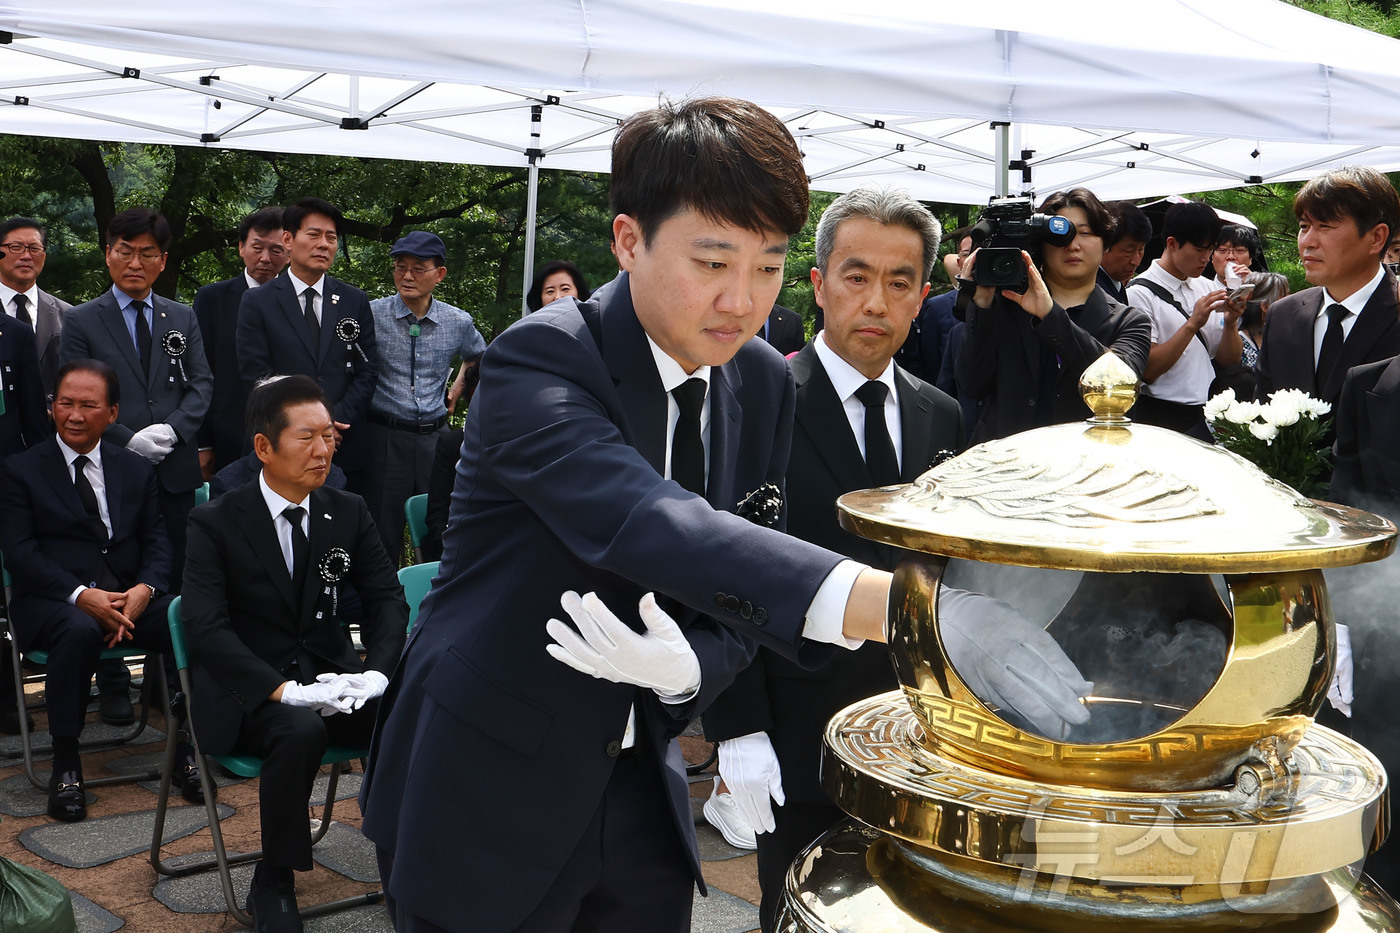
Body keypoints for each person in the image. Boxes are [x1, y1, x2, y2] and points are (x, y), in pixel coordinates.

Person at [360, 96, 1090, 933]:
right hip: (490, 771)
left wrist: (693, 672)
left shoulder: (757, 379)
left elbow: (747, 571)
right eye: (712, 263)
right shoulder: (543, 354)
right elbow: (648, 518)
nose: (742, 301)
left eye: (768, 266)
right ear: (629, 239)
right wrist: (916, 612)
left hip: (641, 782)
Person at [702, 186, 963, 931]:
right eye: (856, 276)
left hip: (914, 729)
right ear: (818, 286)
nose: (876, 300)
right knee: (798, 911)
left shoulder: (937, 411)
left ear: (923, 296)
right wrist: (738, 724)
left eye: (900, 281)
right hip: (796, 718)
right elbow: (724, 563)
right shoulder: (757, 398)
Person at [181, 374, 407, 933]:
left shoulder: (347, 510)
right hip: (252, 696)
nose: (324, 450)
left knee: (412, 707)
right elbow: (204, 627)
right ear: (264, 447)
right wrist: (283, 691)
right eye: (307, 438)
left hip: (333, 681)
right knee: (298, 730)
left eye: (329, 436)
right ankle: (274, 878)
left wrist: (377, 674)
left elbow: (387, 601)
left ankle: (411, 853)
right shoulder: (215, 521)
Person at [0, 360, 197, 821]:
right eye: (64, 403)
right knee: (77, 630)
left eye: (88, 405)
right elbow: (21, 553)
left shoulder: (134, 468)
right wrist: (79, 595)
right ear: (51, 408)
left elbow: (157, 542)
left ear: (111, 413)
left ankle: (186, 745)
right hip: (54, 604)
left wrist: (146, 588)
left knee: (190, 616)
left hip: (129, 598)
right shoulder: (19, 471)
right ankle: (66, 763)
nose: (74, 414)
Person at [59, 207, 213, 591]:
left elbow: (202, 383)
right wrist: (127, 439)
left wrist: (173, 431)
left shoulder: (183, 315)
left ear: (162, 261)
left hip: (175, 468)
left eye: (147, 253)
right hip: (111, 467)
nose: (135, 262)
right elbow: (75, 399)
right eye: (125, 251)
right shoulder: (81, 320)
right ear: (107, 253)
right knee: (123, 572)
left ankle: (169, 652)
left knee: (178, 574)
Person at [956, 187, 1151, 443]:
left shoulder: (1129, 321)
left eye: (1085, 233)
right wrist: (980, 305)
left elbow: (1119, 385)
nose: (1072, 245)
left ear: (1105, 244)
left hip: (1087, 464)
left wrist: (1049, 315)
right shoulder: (1006, 305)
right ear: (1040, 245)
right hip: (1006, 465)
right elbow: (972, 384)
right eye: (1058, 234)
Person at [236, 197, 379, 494]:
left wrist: (332, 422)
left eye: (331, 237)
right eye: (313, 235)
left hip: (346, 444)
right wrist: (311, 427)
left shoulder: (354, 300)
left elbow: (367, 370)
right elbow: (256, 374)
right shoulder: (258, 301)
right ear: (288, 239)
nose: (323, 244)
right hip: (284, 443)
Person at [366, 231, 486, 563]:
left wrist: (457, 388)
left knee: (438, 524)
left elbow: (479, 356)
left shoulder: (457, 322)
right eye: (400, 267)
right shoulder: (372, 315)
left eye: (418, 268)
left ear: (440, 274)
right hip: (385, 436)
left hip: (436, 440)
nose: (406, 275)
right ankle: (386, 609)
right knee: (382, 532)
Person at [1255, 166, 1400, 416]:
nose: (1308, 241)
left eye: (1325, 226)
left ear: (1376, 237)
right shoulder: (1283, 315)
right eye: (1303, 226)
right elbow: (1264, 414)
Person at [1125, 201, 1239, 440]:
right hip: (1161, 414)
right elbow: (1148, 370)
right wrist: (1192, 325)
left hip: (1209, 411)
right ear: (1172, 243)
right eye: (1199, 250)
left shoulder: (1206, 287)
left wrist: (1230, 322)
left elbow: (1228, 361)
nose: (1206, 258)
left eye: (1210, 250)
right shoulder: (1139, 293)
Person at [194, 208, 288, 476]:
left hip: (283, 434)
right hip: (225, 433)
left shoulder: (298, 302)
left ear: (290, 252)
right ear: (241, 247)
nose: (265, 258)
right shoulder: (212, 299)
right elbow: (199, 370)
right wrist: (202, 443)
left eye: (276, 250)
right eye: (257, 247)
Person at [0, 217, 68, 393]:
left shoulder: (68, 315)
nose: (26, 256)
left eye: (34, 248)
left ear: (44, 256)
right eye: (15, 247)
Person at [1098, 201, 1151, 303]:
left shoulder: (1117, 287)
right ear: (1104, 246)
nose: (1136, 262)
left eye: (1140, 250)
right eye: (1128, 251)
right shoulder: (1093, 292)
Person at [1207, 223, 1266, 287]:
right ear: (1212, 257)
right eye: (1223, 250)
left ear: (1250, 258)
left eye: (1239, 251)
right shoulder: (1200, 291)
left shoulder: (1264, 292)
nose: (1230, 257)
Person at [525, 259, 593, 313]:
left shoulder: (594, 327)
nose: (558, 297)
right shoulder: (531, 329)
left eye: (565, 289)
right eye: (550, 291)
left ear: (579, 293)